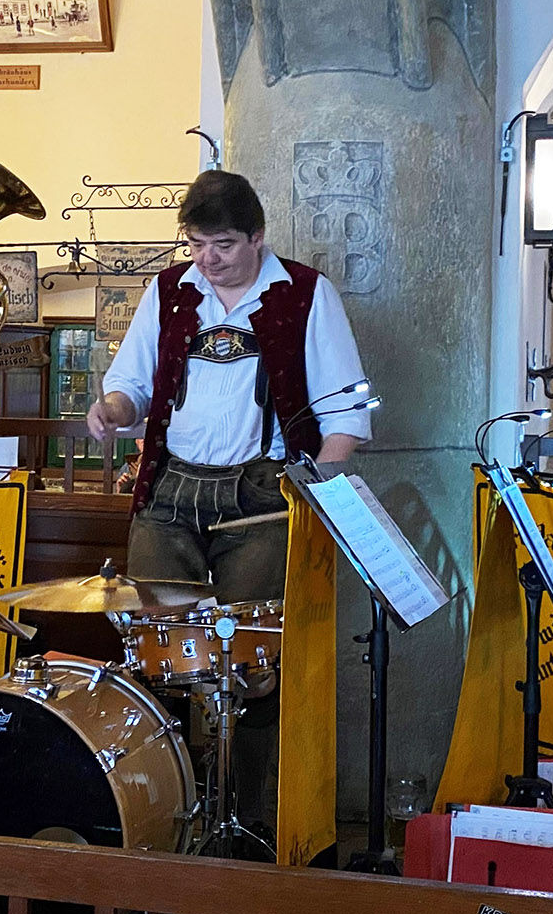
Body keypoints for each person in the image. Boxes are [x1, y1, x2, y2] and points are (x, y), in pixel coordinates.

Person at [86, 169, 371, 839]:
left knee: (250, 671)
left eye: (222, 244)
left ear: (257, 236)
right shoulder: (168, 292)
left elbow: (346, 412)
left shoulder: (304, 294)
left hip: (261, 500)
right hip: (170, 493)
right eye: (195, 243)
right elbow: (132, 385)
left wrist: (317, 492)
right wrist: (115, 407)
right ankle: (166, 815)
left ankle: (250, 822)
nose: (207, 258)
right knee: (159, 659)